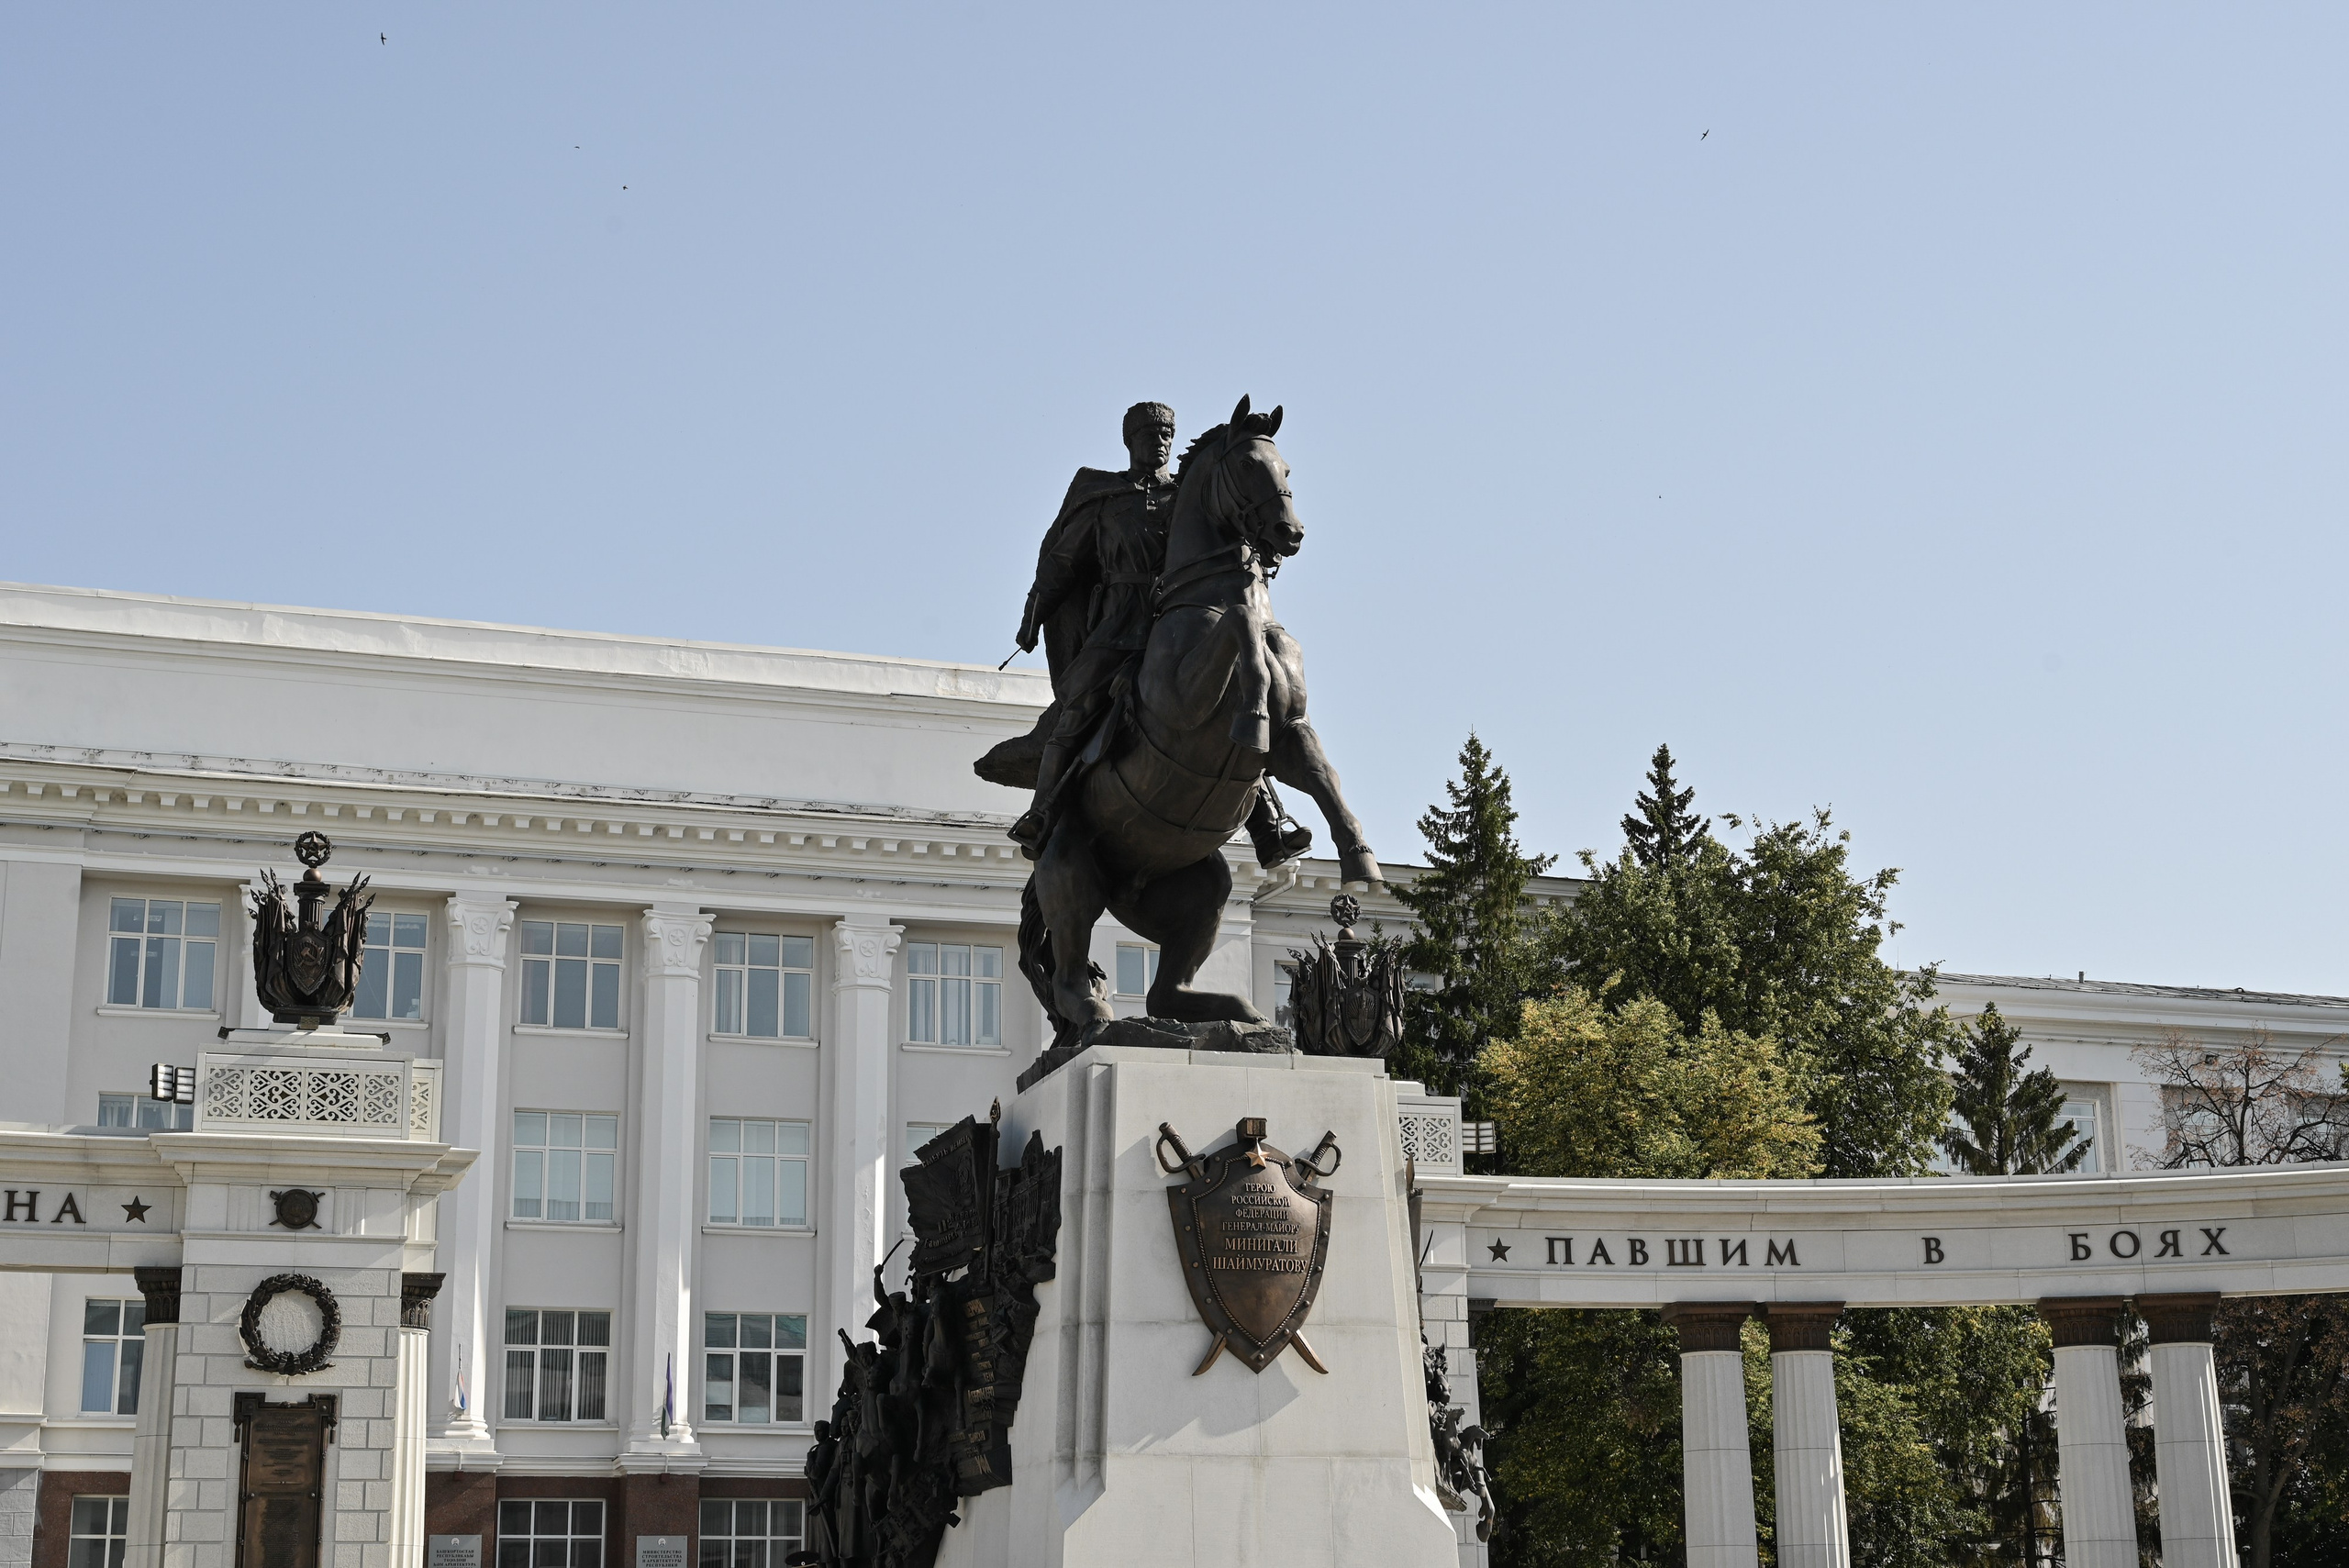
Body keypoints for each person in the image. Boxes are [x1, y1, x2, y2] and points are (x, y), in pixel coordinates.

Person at [1008, 401, 1308, 865]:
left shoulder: (1191, 493)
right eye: (1150, 434)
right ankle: (1042, 811)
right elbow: (1063, 563)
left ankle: (1267, 824)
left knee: (1237, 699)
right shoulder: (1105, 499)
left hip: (1186, 622)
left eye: (1167, 434)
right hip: (1119, 624)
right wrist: (1034, 615)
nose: (1161, 442)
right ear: (1130, 441)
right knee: (1079, 706)